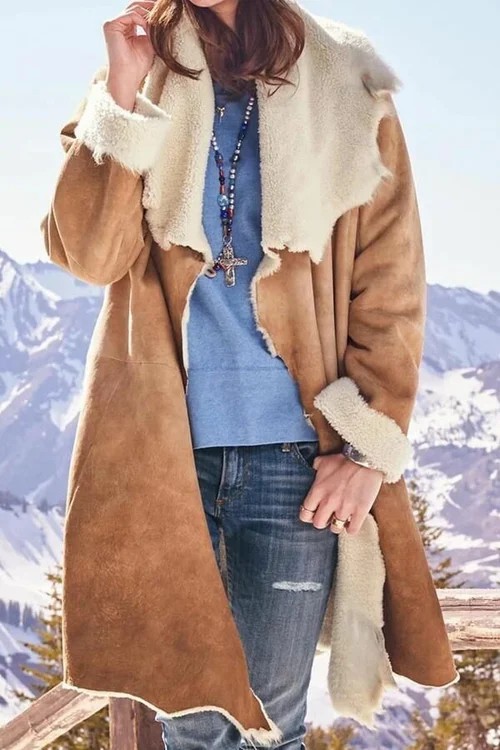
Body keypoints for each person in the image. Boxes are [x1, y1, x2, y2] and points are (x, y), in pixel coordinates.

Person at [40, 0, 458, 748]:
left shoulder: (345, 75)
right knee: (195, 730)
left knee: (269, 730)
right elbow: (90, 256)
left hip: (294, 463)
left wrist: (368, 449)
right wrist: (123, 94)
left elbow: (390, 284)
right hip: (160, 460)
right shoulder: (142, 68)